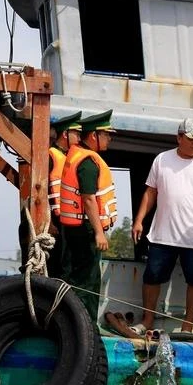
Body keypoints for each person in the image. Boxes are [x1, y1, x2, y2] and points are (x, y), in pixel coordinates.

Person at [131, 118, 193, 333]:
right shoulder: (162, 160)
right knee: (152, 277)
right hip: (163, 234)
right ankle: (147, 321)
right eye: (191, 139)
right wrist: (138, 220)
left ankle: (187, 327)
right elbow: (151, 192)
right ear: (179, 137)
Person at [60, 109, 117, 323]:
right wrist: (99, 233)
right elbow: (89, 199)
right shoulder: (88, 162)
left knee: (75, 279)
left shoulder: (76, 156)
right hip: (84, 231)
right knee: (87, 283)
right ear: (94, 136)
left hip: (74, 229)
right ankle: (86, 328)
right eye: (106, 134)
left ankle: (71, 323)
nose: (109, 139)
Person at [46, 111, 83, 279]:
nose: (79, 139)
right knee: (56, 269)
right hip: (54, 223)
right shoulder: (51, 156)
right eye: (76, 134)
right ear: (66, 134)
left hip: (65, 223)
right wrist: (48, 223)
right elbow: (40, 191)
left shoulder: (67, 158)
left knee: (66, 268)